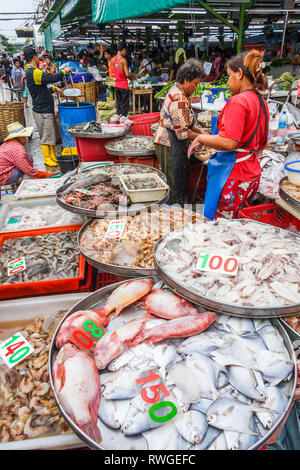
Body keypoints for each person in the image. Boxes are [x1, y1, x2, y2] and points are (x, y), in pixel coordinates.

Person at [188, 50, 269, 220]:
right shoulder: (261, 101)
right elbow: (262, 145)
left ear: (239, 74)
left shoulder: (239, 101)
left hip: (233, 176)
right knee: (237, 226)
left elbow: (229, 141)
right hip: (251, 175)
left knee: (221, 230)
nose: (228, 83)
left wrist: (200, 137)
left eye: (230, 76)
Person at [154, 59, 205, 205]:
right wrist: (204, 138)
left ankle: (180, 207)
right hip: (169, 142)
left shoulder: (181, 92)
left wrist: (202, 133)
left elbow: (187, 123)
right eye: (195, 84)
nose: (196, 87)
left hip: (174, 140)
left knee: (180, 178)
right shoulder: (178, 98)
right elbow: (182, 132)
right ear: (186, 80)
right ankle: (174, 212)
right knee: (174, 182)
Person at [24, 46, 71, 167]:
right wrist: (64, 71)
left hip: (43, 108)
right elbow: (51, 78)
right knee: (46, 136)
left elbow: (41, 88)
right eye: (38, 57)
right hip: (42, 110)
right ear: (35, 57)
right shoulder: (34, 72)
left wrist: (54, 88)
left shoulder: (32, 71)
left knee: (49, 135)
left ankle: (52, 156)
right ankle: (47, 158)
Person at [111, 42, 136, 117]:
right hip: (124, 86)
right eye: (125, 51)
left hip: (117, 85)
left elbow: (116, 71)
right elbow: (127, 74)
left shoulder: (112, 60)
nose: (125, 53)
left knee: (119, 105)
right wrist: (133, 75)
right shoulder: (123, 60)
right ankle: (123, 122)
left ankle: (119, 121)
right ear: (123, 50)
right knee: (124, 106)